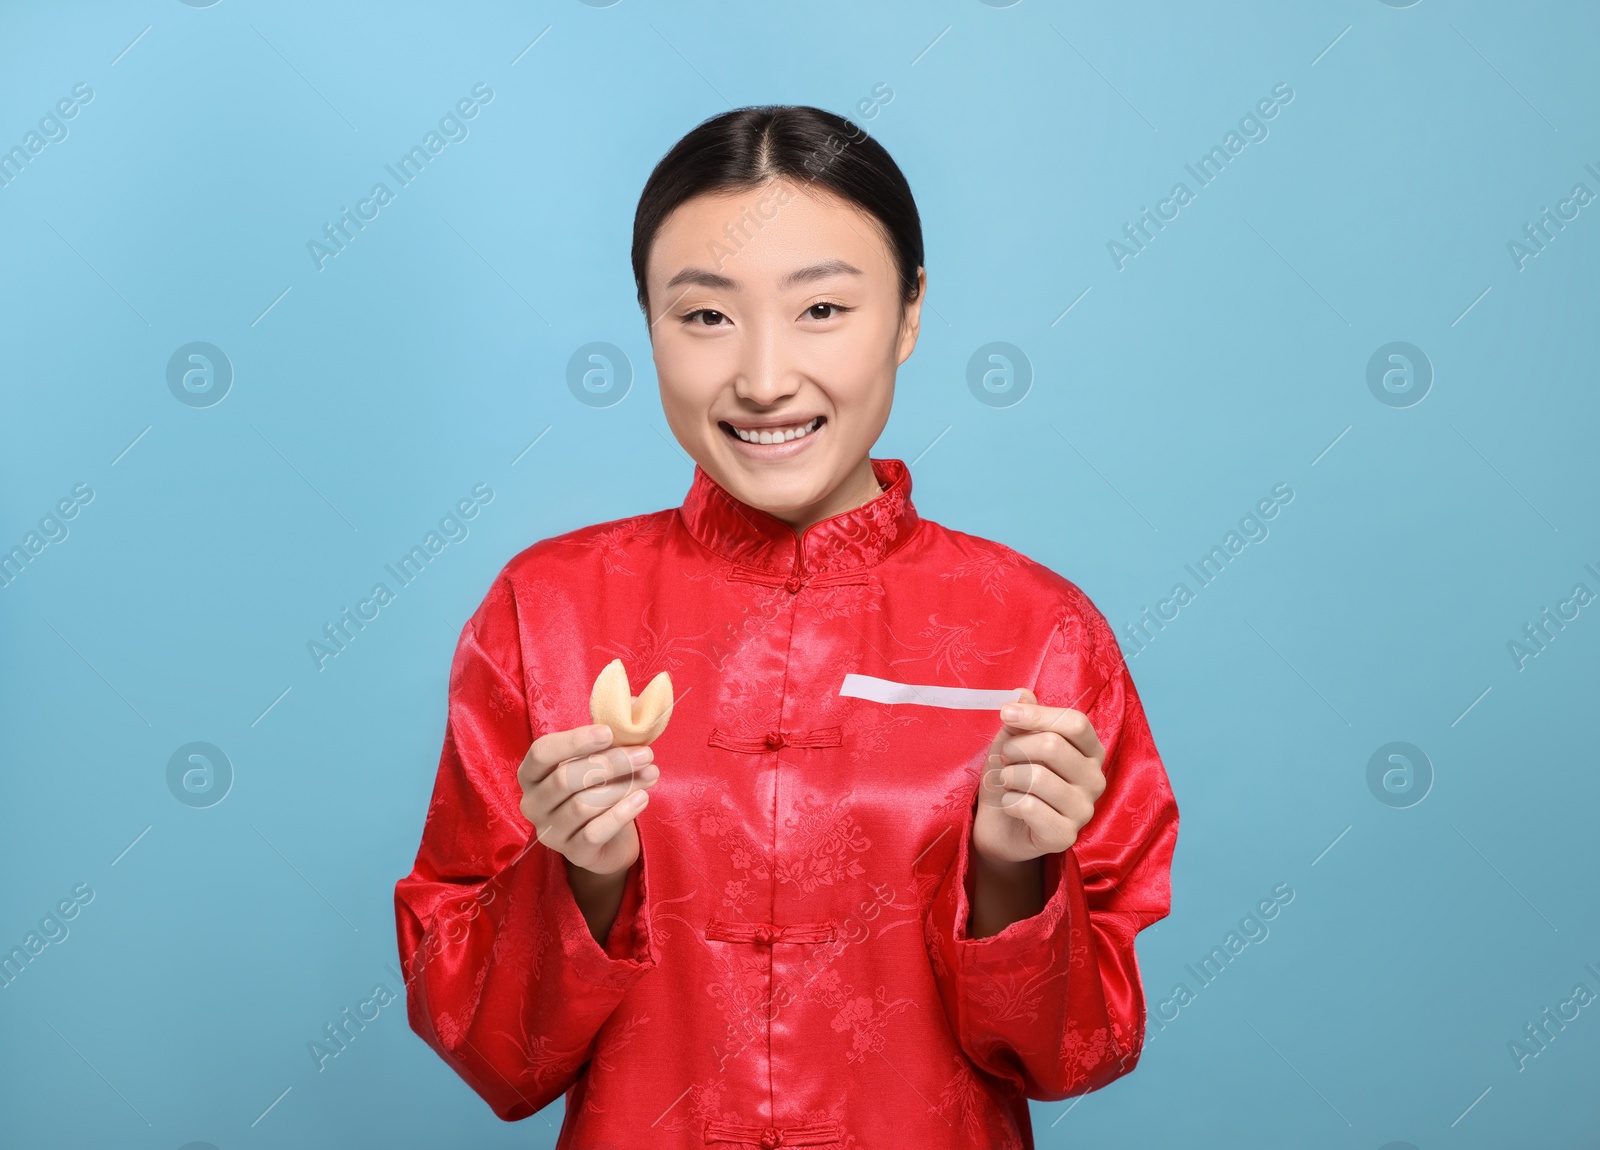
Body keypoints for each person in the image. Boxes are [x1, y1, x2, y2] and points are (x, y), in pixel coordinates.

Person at [394, 104, 1178, 1150]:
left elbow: (1077, 1054)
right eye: (705, 317)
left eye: (821, 309)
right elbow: (494, 1053)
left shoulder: (1040, 632)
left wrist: (1010, 872)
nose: (763, 379)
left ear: (908, 313)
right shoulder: (547, 611)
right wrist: (581, 874)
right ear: (647, 324)